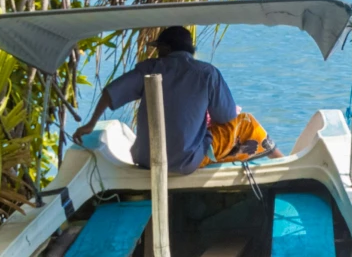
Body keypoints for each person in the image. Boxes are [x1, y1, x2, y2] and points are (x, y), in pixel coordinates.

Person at [77, 26, 242, 175]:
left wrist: (91, 123)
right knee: (240, 124)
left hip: (147, 161)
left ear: (166, 48)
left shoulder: (149, 68)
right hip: (185, 163)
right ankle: (267, 151)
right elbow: (226, 117)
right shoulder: (208, 73)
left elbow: (110, 92)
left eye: (158, 49)